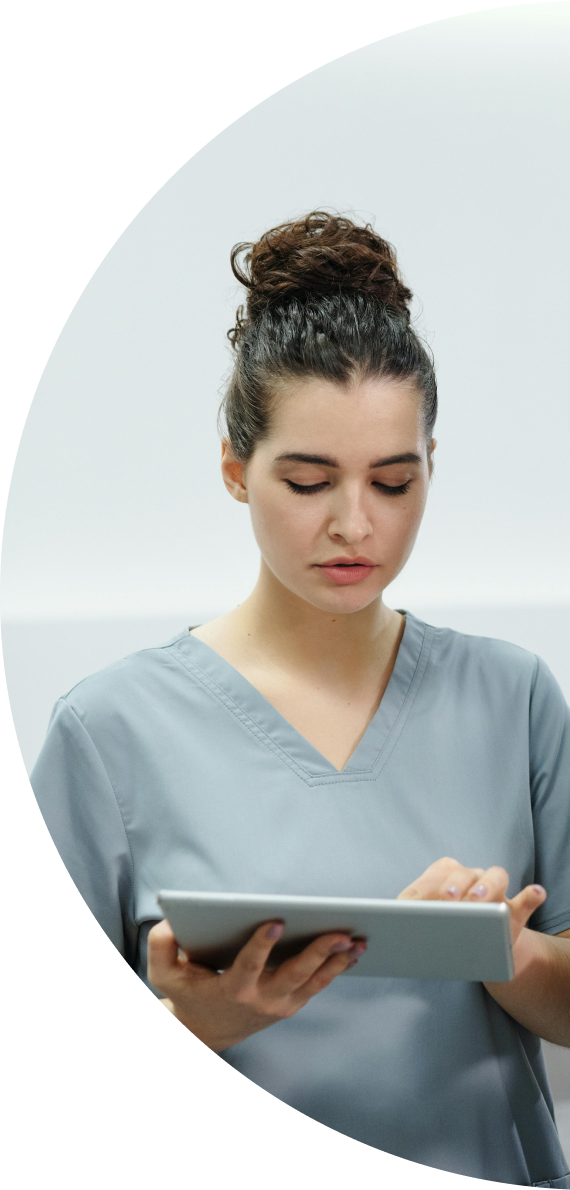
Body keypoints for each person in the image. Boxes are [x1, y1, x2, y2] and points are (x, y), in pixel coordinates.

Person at [31, 212, 569, 1185]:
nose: (355, 524)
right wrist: (196, 1018)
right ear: (235, 469)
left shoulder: (516, 698)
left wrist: (506, 954)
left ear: (432, 467)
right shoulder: (108, 733)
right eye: (310, 480)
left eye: (394, 481)